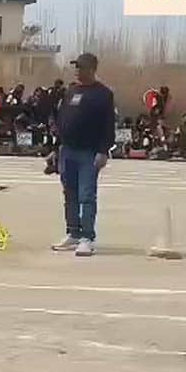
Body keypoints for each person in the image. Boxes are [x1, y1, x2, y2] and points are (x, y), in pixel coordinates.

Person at [51, 53, 115, 257]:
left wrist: (103, 151)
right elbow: (62, 121)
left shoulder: (103, 94)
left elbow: (108, 125)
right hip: (67, 151)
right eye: (76, 67)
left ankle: (87, 237)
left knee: (86, 196)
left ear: (92, 69)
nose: (77, 70)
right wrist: (55, 149)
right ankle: (73, 232)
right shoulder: (70, 91)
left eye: (81, 67)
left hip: (89, 153)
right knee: (69, 194)